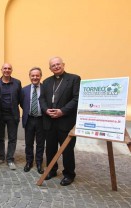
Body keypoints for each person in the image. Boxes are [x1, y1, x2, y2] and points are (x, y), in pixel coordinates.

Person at [39, 57, 80, 186]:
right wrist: (46, 110)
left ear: (63, 65)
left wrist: (62, 111)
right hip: (50, 121)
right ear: (50, 68)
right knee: (50, 148)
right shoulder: (46, 82)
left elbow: (76, 99)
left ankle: (69, 174)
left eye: (58, 64)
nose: (56, 67)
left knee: (67, 150)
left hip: (66, 121)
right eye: (53, 65)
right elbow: (42, 99)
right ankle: (51, 170)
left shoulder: (74, 79)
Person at [0, 63, 21, 170]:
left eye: (9, 68)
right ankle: (1, 157)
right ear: (1, 70)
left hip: (12, 115)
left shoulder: (17, 83)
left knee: (12, 138)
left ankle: (10, 159)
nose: (7, 70)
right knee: (0, 137)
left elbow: (19, 98)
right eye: (5, 68)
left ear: (11, 70)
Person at [21, 67, 45, 174]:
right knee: (28, 142)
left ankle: (39, 162)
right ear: (29, 76)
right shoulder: (24, 89)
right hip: (29, 119)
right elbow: (22, 104)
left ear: (40, 76)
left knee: (40, 143)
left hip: (42, 120)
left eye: (37, 75)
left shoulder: (46, 89)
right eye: (33, 75)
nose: (35, 77)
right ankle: (29, 162)